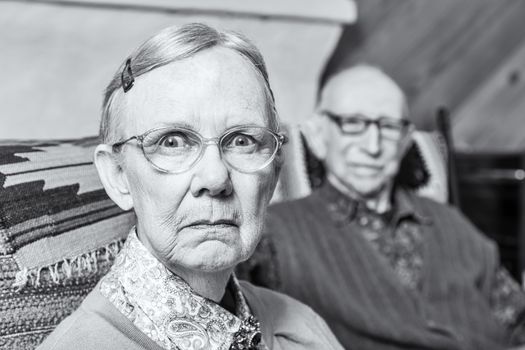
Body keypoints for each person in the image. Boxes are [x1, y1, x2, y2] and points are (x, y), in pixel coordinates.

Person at [37, 23, 344, 350]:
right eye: (172, 142)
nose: (215, 179)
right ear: (118, 176)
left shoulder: (301, 327)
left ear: (273, 174)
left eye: (242, 141)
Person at [250, 64, 525, 350]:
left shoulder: (452, 222)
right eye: (353, 123)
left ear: (406, 140)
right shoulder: (272, 233)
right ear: (319, 135)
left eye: (389, 127)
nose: (373, 146)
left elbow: (518, 319)